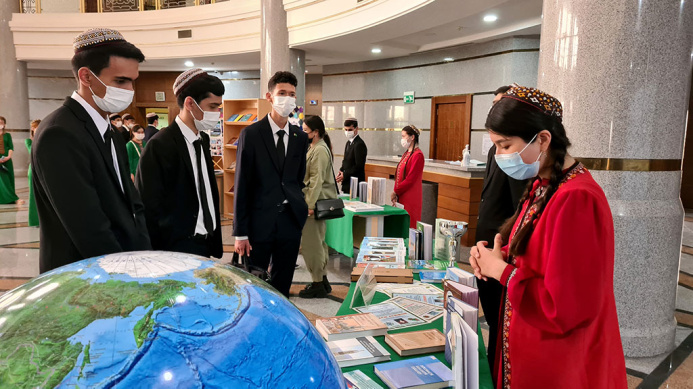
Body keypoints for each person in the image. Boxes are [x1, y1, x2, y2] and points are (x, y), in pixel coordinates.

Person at [469, 86, 627, 388]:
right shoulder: (543, 185)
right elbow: (536, 262)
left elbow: (567, 306)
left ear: (542, 139)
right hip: (530, 343)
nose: (500, 156)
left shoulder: (577, 198)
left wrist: (500, 271)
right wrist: (495, 258)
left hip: (561, 360)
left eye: (504, 145)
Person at [32, 28, 151, 272]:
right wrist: (124, 273)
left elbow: (131, 203)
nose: (129, 90)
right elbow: (88, 226)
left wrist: (143, 254)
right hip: (83, 277)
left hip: (124, 264)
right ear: (86, 76)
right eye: (120, 81)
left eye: (132, 81)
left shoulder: (113, 132)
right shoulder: (60, 133)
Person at [233, 71, 310, 298]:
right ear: (270, 96)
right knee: (255, 282)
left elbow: (297, 179)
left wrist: (300, 209)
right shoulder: (251, 134)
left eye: (292, 94)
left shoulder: (299, 137)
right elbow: (242, 184)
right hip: (259, 222)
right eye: (282, 93)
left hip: (290, 221)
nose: (288, 98)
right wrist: (240, 233)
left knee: (283, 280)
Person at [136, 68, 223, 258]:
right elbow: (148, 206)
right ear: (190, 103)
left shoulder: (203, 140)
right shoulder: (160, 145)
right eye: (212, 106)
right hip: (176, 247)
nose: (217, 113)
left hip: (206, 241)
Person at [475, 85, 529, 379]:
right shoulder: (500, 151)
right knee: (493, 319)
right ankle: (494, 363)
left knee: (500, 321)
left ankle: (498, 371)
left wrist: (502, 259)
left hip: (503, 256)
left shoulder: (573, 195)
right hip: (493, 251)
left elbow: (519, 212)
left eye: (502, 106)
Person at [299, 115, 338, 298]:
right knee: (318, 243)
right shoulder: (315, 147)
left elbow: (316, 180)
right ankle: (322, 280)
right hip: (316, 202)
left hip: (314, 204)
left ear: (315, 132)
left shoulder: (320, 150)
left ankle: (317, 283)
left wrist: (309, 205)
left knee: (311, 245)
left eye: (305, 130)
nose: (302, 133)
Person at [391, 125, 424, 228]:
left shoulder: (418, 155)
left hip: (410, 196)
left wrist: (396, 191)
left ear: (412, 137)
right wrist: (397, 192)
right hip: (402, 194)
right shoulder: (407, 153)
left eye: (403, 136)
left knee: (409, 224)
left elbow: (410, 179)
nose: (402, 139)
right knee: (401, 224)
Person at [336, 118, 367, 194]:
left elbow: (359, 166)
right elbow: (346, 160)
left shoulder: (359, 144)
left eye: (350, 130)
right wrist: (341, 171)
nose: (347, 132)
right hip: (347, 182)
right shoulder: (348, 143)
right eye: (345, 130)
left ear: (356, 129)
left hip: (355, 184)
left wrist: (345, 174)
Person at [0, 116, 22, 205]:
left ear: (4, 124)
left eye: (2, 122)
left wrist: (8, 157)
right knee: (3, 179)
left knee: (9, 178)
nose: (0, 124)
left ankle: (11, 198)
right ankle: (14, 198)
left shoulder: (7, 135)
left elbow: (11, 147)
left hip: (7, 159)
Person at [26, 119, 40, 226]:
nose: (36, 129)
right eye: (34, 127)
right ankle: (35, 220)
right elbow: (33, 151)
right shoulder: (29, 141)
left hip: (44, 168)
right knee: (34, 194)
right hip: (34, 168)